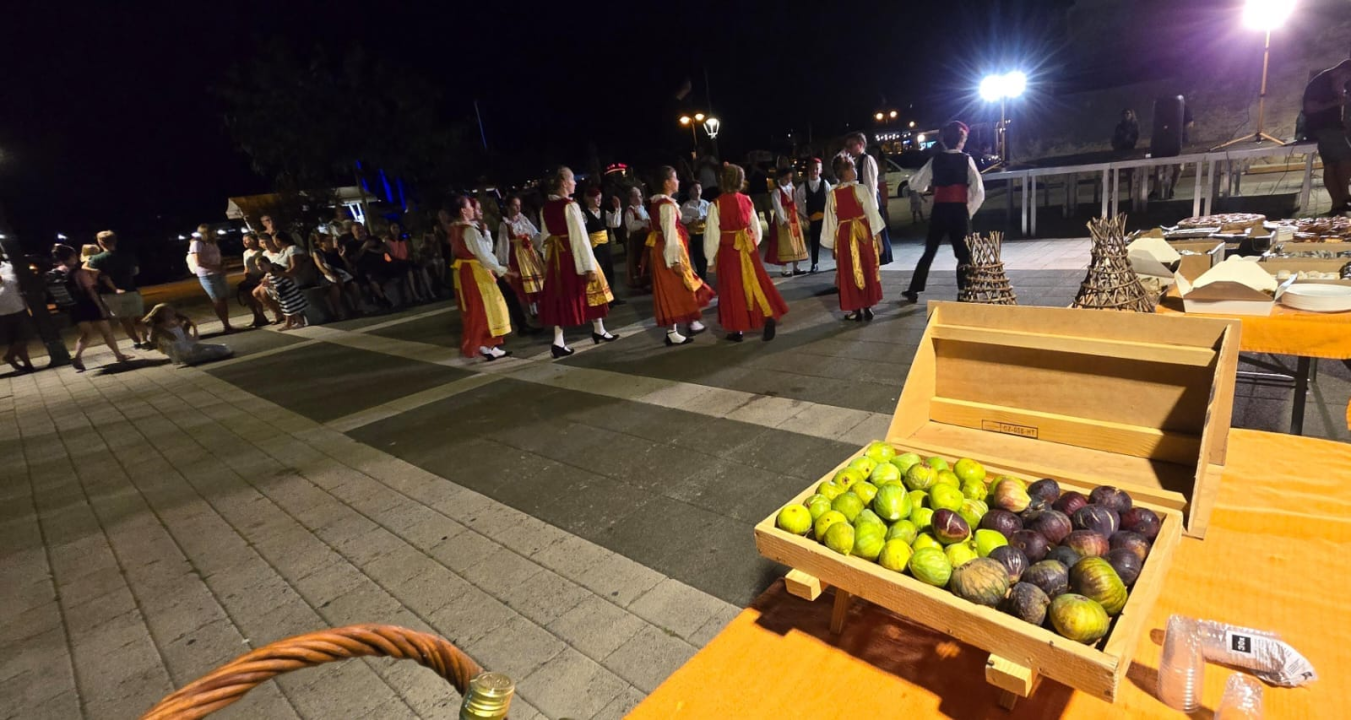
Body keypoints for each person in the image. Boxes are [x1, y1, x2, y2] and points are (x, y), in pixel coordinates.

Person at [902, 121, 986, 303]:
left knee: (930, 250)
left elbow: (916, 183)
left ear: (945, 140)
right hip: (958, 211)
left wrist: (929, 186)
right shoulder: (966, 160)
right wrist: (968, 210)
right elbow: (978, 190)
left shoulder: (936, 160)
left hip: (940, 210)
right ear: (962, 140)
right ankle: (964, 290)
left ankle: (914, 289)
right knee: (963, 253)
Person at [539, 166, 617, 357]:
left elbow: (544, 238)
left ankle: (585, 333)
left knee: (560, 296)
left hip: (557, 256)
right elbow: (580, 238)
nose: (575, 182)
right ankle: (589, 332)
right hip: (573, 255)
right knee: (590, 288)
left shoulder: (546, 208)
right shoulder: (570, 206)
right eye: (572, 179)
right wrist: (588, 266)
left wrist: (546, 259)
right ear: (564, 182)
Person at [705, 163, 788, 342]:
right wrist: (750, 244)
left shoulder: (715, 205)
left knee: (732, 288)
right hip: (747, 250)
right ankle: (767, 316)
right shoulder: (746, 200)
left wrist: (710, 260)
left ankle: (737, 329)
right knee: (756, 284)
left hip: (728, 252)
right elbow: (756, 228)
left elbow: (712, 236)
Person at [647, 165, 715, 346]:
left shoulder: (659, 203)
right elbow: (669, 234)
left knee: (684, 286)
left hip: (668, 250)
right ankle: (672, 332)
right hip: (668, 253)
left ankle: (690, 322)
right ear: (667, 182)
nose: (678, 181)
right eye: (675, 178)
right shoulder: (666, 206)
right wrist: (675, 260)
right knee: (674, 288)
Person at [447, 196, 514, 360]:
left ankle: (488, 344)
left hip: (465, 273)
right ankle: (484, 343)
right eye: (470, 206)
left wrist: (486, 234)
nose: (472, 209)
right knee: (486, 308)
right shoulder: (468, 230)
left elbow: (482, 250)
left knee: (477, 308)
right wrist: (502, 270)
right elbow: (484, 254)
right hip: (475, 272)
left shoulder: (456, 229)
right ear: (463, 210)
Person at [822, 155, 885, 321]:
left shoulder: (832, 194)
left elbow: (830, 222)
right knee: (865, 266)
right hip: (862, 234)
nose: (856, 171)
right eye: (853, 168)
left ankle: (856, 308)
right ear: (846, 172)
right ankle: (867, 305)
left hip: (844, 237)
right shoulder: (861, 190)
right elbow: (871, 213)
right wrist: (877, 237)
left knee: (849, 271)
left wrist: (832, 244)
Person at [49, 244, 132, 371]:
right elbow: (90, 290)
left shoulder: (58, 272)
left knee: (86, 333)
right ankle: (118, 355)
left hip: (74, 307)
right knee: (107, 332)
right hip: (89, 304)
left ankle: (77, 356)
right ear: (71, 256)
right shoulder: (79, 272)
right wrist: (101, 308)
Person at [84, 230, 149, 348]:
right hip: (130, 289)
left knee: (124, 320)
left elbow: (93, 276)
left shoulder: (96, 259)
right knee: (138, 318)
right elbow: (135, 271)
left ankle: (136, 341)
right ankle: (145, 339)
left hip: (109, 294)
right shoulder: (127, 255)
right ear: (115, 241)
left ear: (100, 242)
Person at [1304, 60, 1351, 214]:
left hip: (1332, 128)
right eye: (1346, 77)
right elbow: (1310, 108)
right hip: (1323, 128)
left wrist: (1341, 124)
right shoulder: (1321, 83)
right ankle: (1340, 200)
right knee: (1340, 161)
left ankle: (1341, 201)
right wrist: (1336, 101)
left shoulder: (1332, 82)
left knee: (1334, 164)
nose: (1346, 82)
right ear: (1341, 71)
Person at [845, 133, 894, 266]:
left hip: (869, 201)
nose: (848, 149)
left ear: (861, 144)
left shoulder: (867, 160)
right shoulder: (856, 160)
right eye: (847, 146)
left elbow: (870, 184)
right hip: (862, 201)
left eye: (851, 145)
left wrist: (871, 208)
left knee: (874, 231)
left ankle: (879, 256)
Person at [142, 303, 233, 366]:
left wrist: (194, 328)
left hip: (189, 347)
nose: (172, 313)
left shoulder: (177, 323)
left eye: (171, 311)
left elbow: (192, 340)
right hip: (183, 354)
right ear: (160, 314)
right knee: (215, 352)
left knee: (222, 348)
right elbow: (155, 342)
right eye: (168, 312)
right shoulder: (159, 328)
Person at [579, 187, 626, 306]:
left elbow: (615, 224)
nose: (599, 201)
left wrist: (617, 209)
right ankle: (601, 298)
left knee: (609, 270)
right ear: (588, 199)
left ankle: (611, 296)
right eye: (596, 198)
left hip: (606, 246)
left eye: (600, 198)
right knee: (599, 272)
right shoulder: (584, 214)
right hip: (594, 248)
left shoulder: (604, 212)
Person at [187, 225, 237, 333]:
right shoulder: (198, 243)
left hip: (218, 273)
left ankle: (227, 323)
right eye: (213, 232)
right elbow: (199, 262)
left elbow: (218, 256)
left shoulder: (212, 242)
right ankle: (225, 324)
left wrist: (222, 266)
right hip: (207, 275)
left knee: (223, 298)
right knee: (217, 299)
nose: (215, 233)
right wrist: (216, 268)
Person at [765, 168, 809, 276]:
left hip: (793, 217)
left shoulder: (792, 188)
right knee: (784, 243)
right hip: (784, 218)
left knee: (795, 240)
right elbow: (777, 207)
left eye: (790, 178)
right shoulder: (777, 191)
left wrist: (801, 214)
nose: (788, 181)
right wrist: (783, 220)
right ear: (780, 178)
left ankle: (796, 267)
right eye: (786, 178)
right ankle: (784, 269)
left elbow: (796, 203)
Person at [794, 158, 832, 273]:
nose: (814, 171)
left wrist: (829, 214)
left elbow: (830, 199)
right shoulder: (803, 187)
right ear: (808, 171)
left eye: (817, 169)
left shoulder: (825, 183)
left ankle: (838, 261)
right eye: (812, 169)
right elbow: (799, 201)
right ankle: (814, 263)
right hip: (813, 219)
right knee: (814, 242)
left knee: (831, 240)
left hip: (825, 218)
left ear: (820, 170)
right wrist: (805, 215)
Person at [313, 232, 362, 320]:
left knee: (354, 286)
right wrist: (335, 278)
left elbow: (348, 267)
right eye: (328, 241)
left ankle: (356, 308)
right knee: (334, 288)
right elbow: (322, 268)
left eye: (332, 240)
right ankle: (337, 312)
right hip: (327, 276)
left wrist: (343, 257)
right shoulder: (318, 253)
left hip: (341, 275)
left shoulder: (336, 251)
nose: (331, 242)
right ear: (322, 243)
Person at [0, 248, 35, 373]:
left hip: (17, 305)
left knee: (24, 336)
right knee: (15, 338)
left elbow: (16, 282)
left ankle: (10, 357)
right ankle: (27, 364)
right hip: (2, 310)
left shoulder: (8, 267)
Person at [259, 256, 308, 331]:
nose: (260, 267)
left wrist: (271, 283)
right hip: (283, 293)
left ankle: (289, 324)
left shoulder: (275, 270)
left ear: (268, 263)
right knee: (289, 308)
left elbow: (282, 279)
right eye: (258, 266)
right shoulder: (269, 273)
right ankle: (298, 321)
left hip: (287, 291)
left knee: (289, 308)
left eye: (261, 265)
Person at [239, 232, 277, 327]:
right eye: (244, 241)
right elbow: (246, 267)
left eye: (247, 240)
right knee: (245, 293)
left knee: (256, 292)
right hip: (251, 277)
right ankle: (256, 315)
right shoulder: (246, 253)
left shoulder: (260, 252)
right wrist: (247, 276)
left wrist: (258, 278)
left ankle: (262, 314)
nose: (245, 242)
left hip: (260, 277)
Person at [623, 185, 652, 292]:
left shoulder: (642, 209)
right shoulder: (630, 211)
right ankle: (640, 282)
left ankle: (648, 281)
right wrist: (642, 224)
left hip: (644, 238)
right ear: (630, 199)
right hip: (636, 240)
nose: (638, 199)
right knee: (637, 260)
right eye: (635, 197)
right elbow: (630, 226)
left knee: (646, 259)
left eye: (640, 196)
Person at [680, 181, 711, 279]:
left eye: (699, 188)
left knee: (706, 254)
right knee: (698, 255)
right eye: (695, 189)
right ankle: (702, 275)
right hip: (694, 234)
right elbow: (681, 218)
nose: (697, 191)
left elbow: (712, 216)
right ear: (690, 191)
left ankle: (703, 273)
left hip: (705, 233)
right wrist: (692, 219)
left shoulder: (706, 204)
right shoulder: (686, 206)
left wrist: (704, 218)